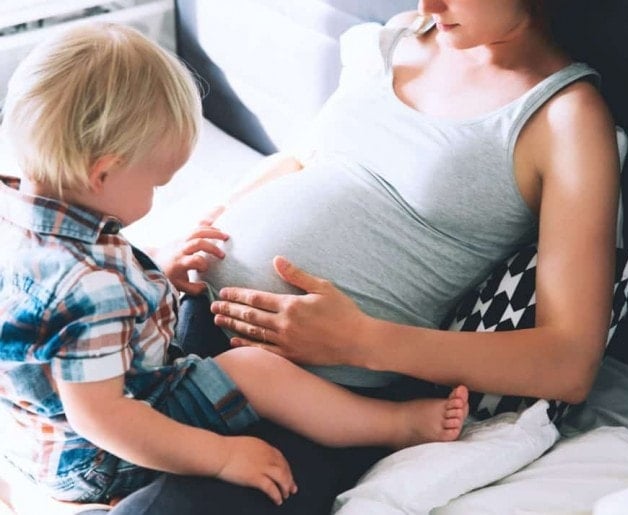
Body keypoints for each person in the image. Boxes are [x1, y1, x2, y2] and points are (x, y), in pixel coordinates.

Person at [110, 0, 622, 513]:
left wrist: (361, 341)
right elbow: (301, 159)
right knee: (76, 427)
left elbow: (569, 362)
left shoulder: (566, 120)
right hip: (187, 316)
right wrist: (189, 241)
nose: (427, 5)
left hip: (319, 402)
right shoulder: (399, 37)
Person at [0, 21, 472, 509]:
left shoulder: (26, 221)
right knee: (255, 371)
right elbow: (105, 418)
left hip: (32, 442)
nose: (156, 195)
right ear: (102, 173)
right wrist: (221, 456)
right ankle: (395, 425)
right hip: (101, 456)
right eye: (155, 183)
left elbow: (59, 327)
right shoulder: (89, 287)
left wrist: (155, 270)